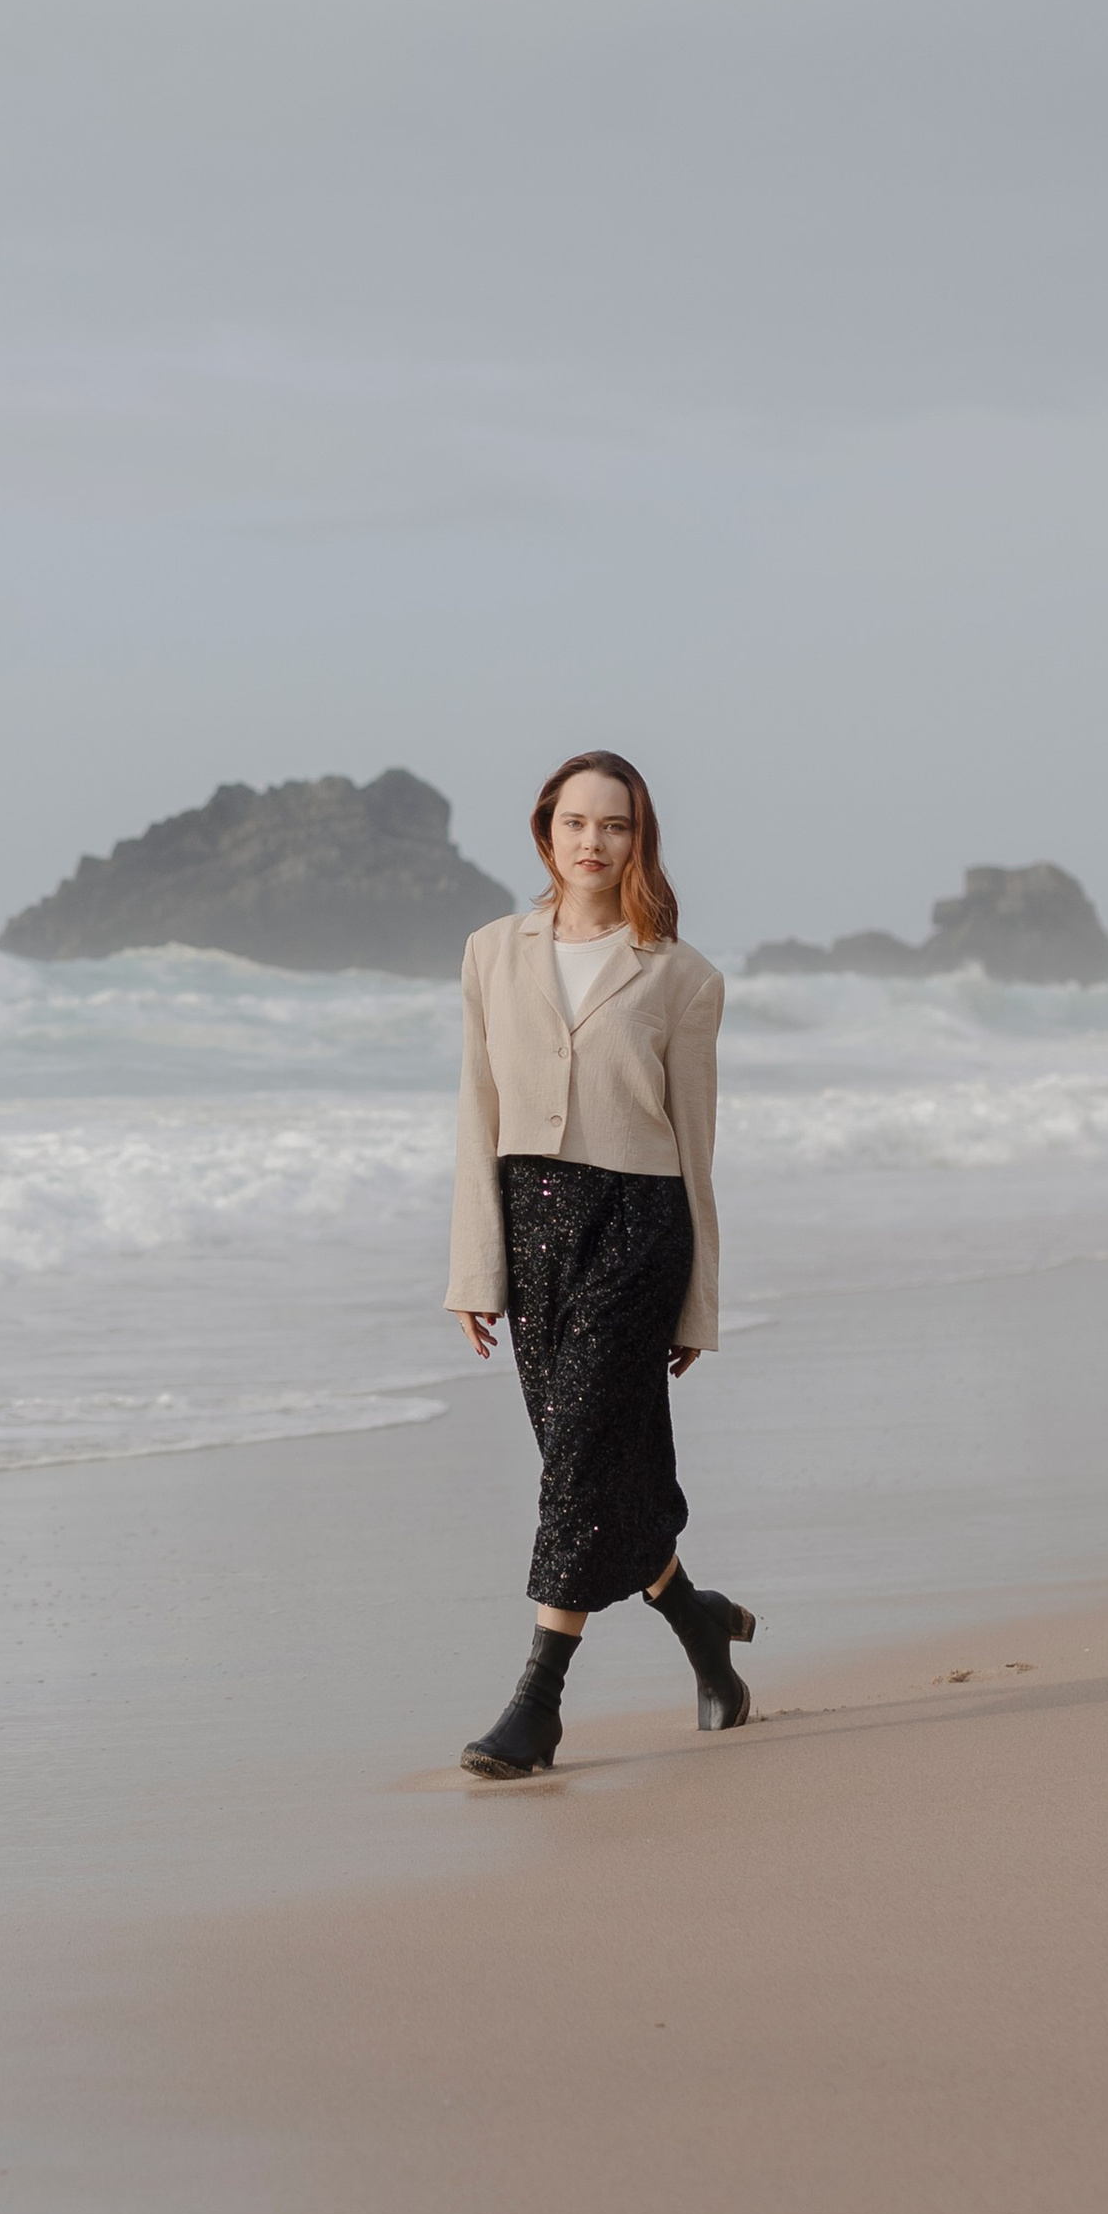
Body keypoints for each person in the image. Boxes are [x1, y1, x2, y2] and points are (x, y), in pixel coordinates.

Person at [445, 750, 757, 1777]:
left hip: (637, 1223)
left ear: (639, 838)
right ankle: (700, 1625)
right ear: (546, 832)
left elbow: (695, 1147)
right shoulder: (490, 953)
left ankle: (536, 1705)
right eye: (575, 822)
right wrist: (473, 1270)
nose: (593, 841)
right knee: (590, 1468)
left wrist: (697, 1305)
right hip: (531, 1227)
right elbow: (475, 1115)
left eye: (614, 825)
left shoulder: (682, 975)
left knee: (578, 1453)